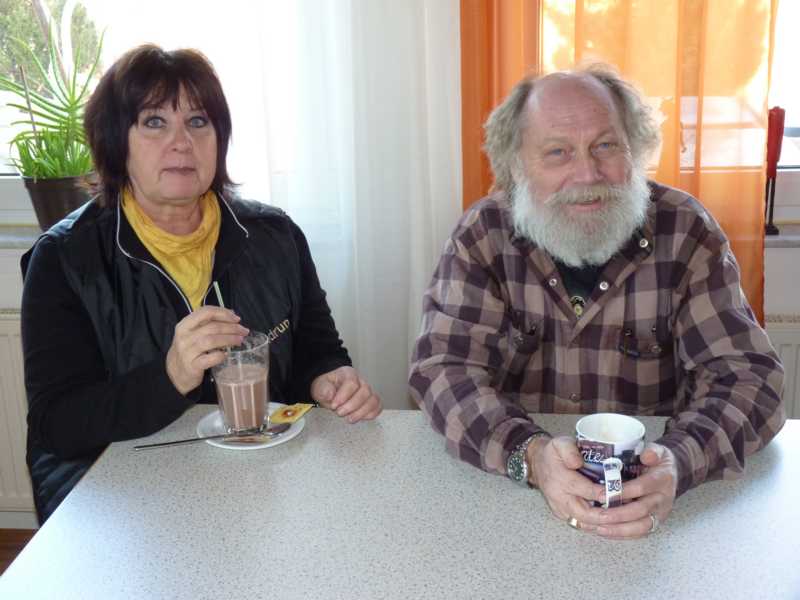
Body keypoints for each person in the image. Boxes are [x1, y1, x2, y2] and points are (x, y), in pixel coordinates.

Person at [408, 64, 785, 539]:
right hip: (511, 504)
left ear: (635, 149)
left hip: (658, 511)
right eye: (558, 152)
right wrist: (530, 455)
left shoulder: (686, 230)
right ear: (517, 167)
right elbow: (443, 369)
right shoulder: (483, 235)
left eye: (606, 145)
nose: (587, 173)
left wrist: (677, 462)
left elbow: (749, 379)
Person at [21, 45, 382, 524]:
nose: (181, 142)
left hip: (258, 482)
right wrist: (169, 377)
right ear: (115, 141)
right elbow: (58, 424)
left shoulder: (276, 237)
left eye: (198, 122)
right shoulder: (65, 258)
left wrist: (329, 379)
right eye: (154, 122)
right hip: (123, 505)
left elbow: (318, 350)